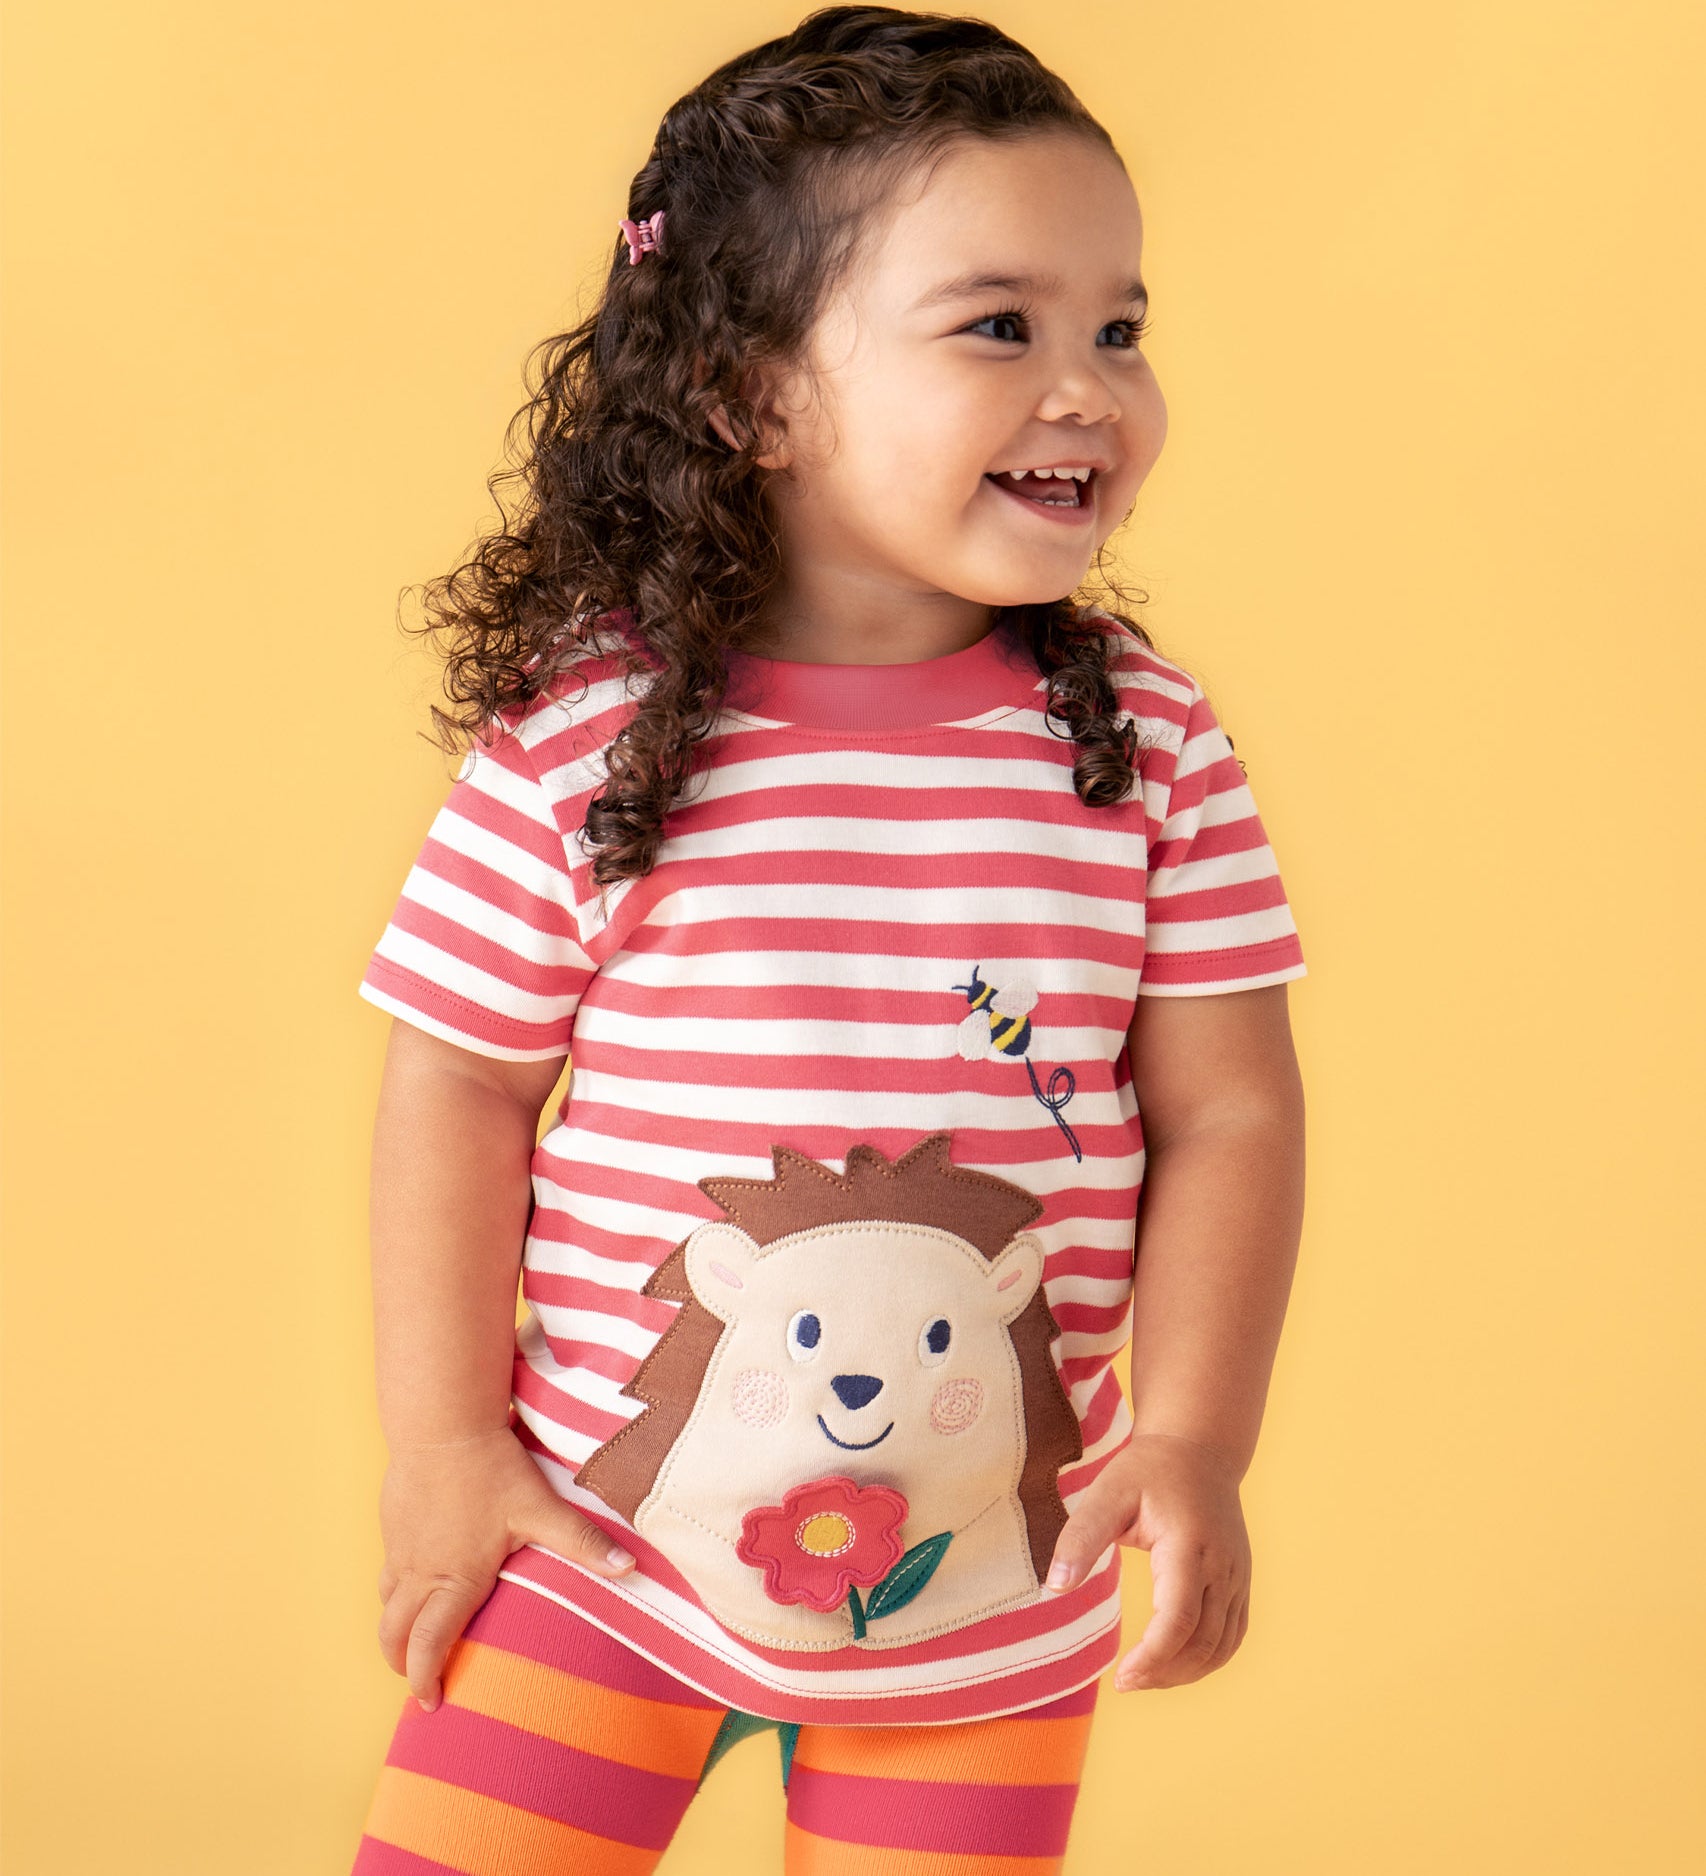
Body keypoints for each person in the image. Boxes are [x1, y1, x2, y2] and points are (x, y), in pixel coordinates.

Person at [348, 7, 1309, 1871]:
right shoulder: (589, 738)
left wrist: (1190, 1440)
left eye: (1118, 326)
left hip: (989, 1601)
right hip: (592, 1555)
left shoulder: (1147, 745)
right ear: (750, 392)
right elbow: (457, 1087)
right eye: (997, 326)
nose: (1088, 386)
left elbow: (1232, 1119)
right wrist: (449, 1449)